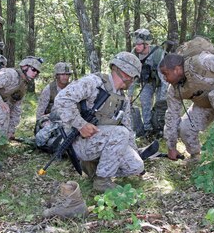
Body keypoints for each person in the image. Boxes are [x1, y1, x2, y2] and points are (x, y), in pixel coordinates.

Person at [52, 51, 144, 192]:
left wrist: (135, 152)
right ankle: (102, 181)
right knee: (120, 133)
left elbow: (128, 128)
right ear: (128, 75)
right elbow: (62, 99)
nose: (133, 82)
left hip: (102, 141)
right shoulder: (94, 82)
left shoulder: (122, 99)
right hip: (81, 141)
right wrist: (81, 124)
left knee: (136, 166)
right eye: (134, 78)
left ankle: (95, 168)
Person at [159, 41, 214, 168]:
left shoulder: (202, 62)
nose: (165, 78)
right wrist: (171, 146)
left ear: (177, 69)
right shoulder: (174, 90)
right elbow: (172, 117)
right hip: (205, 105)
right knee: (185, 128)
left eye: (166, 74)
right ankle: (195, 157)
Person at [128, 28, 167, 137]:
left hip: (160, 82)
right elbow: (132, 76)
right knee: (144, 101)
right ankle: (148, 128)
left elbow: (164, 77)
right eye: (136, 44)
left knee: (160, 104)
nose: (137, 47)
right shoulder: (134, 55)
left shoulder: (158, 54)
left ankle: (160, 127)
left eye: (140, 44)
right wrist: (130, 95)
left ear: (146, 45)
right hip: (147, 82)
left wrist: (163, 96)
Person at [34, 62, 73, 152]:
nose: (65, 77)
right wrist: (44, 123)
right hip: (50, 120)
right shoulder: (49, 89)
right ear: (56, 75)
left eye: (67, 74)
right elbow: (40, 111)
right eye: (62, 74)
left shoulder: (72, 87)